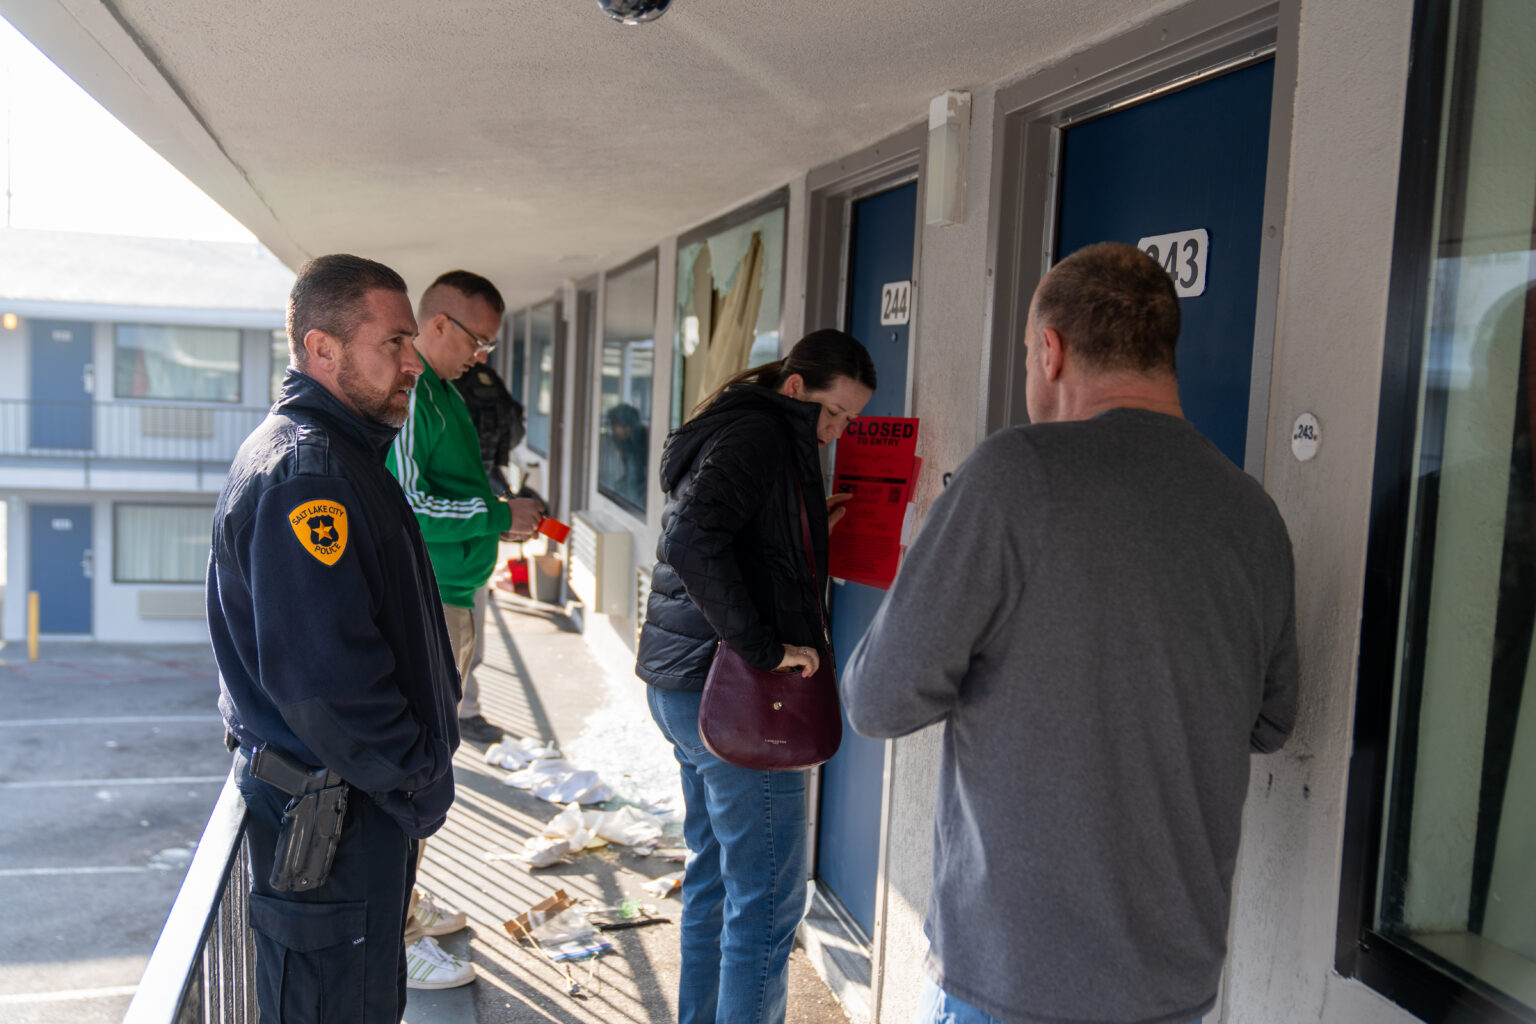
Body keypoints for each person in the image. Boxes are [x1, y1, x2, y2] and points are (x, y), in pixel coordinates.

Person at [840, 241, 1298, 1024]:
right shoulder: (1253, 513)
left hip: (1014, 978)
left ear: (1050, 352)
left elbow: (878, 699)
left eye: (1027, 353)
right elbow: (1270, 720)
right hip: (1174, 985)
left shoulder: (1015, 475)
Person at [207, 253, 470, 1018]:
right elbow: (328, 683)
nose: (413, 363)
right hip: (334, 822)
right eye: (394, 342)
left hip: (347, 811)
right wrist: (418, 780)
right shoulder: (308, 475)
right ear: (322, 349)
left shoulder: (337, 457)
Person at [635, 328, 876, 1024]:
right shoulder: (763, 435)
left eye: (851, 420)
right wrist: (765, 650)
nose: (836, 432)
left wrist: (800, 528)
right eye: (834, 413)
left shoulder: (740, 426)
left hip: (685, 685)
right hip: (733, 697)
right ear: (795, 388)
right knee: (767, 901)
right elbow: (690, 541)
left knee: (716, 880)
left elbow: (729, 535)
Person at [387, 269, 543, 746]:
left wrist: (499, 518)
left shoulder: (445, 391)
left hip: (451, 592)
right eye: (478, 341)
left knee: (435, 740)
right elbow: (408, 506)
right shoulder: (414, 395)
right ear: (438, 324)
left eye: (488, 346)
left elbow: (445, 489)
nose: (481, 358)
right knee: (424, 745)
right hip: (430, 595)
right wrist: (499, 515)